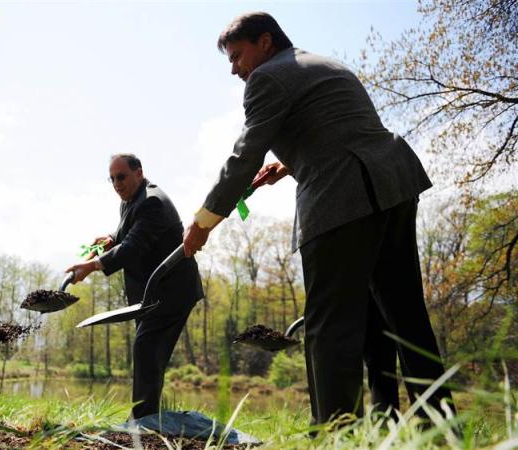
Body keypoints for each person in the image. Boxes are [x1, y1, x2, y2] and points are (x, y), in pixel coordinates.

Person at [181, 12, 454, 426]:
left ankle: (335, 431)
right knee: (405, 317)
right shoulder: (325, 64)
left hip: (342, 197)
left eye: (237, 56)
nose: (235, 69)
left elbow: (244, 157)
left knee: (329, 326)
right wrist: (289, 166)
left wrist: (203, 222)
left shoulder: (267, 78)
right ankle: (439, 426)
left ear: (266, 42)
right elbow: (342, 128)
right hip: (393, 184)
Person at [67, 153, 203, 419]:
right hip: (153, 296)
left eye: (122, 177)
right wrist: (109, 238)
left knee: (146, 349)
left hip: (171, 292)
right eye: (112, 179)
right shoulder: (131, 199)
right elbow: (126, 234)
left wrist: (93, 265)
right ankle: (145, 418)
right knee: (148, 353)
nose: (117, 184)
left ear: (139, 173)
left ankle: (142, 421)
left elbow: (132, 247)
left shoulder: (152, 202)